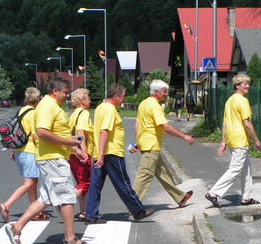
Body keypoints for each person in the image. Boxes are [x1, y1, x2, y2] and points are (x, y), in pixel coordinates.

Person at [5, 76, 91, 244]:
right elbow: (42, 132)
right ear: (55, 91)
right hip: (53, 159)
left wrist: (75, 149)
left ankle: (17, 227)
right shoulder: (47, 106)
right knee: (66, 198)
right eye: (65, 93)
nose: (67, 96)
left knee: (46, 198)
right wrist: (69, 143)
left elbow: (58, 133)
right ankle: (70, 238)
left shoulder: (51, 105)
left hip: (53, 156)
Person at [84, 83, 154, 224]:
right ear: (116, 96)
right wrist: (103, 155)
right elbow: (104, 131)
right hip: (111, 153)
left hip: (100, 152)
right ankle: (138, 211)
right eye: (123, 96)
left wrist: (100, 154)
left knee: (95, 184)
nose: (123, 98)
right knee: (123, 183)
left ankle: (90, 214)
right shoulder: (110, 110)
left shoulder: (100, 107)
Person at [132, 79, 194, 208]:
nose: (166, 94)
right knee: (145, 174)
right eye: (164, 91)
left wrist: (137, 141)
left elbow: (137, 124)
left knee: (163, 172)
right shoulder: (155, 105)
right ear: (156, 92)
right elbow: (165, 127)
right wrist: (184, 136)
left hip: (146, 143)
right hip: (151, 144)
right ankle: (132, 204)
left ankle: (180, 197)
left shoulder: (143, 103)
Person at [205, 74, 261, 208]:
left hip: (232, 138)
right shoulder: (242, 101)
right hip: (239, 139)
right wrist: (256, 140)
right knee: (235, 169)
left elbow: (224, 122)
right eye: (245, 84)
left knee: (246, 169)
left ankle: (247, 198)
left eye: (248, 83)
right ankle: (213, 193)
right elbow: (247, 123)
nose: (248, 86)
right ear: (237, 86)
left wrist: (223, 140)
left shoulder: (229, 100)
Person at [0, 87, 49, 222]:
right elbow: (34, 135)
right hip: (30, 152)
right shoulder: (33, 114)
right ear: (38, 99)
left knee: (32, 183)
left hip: (20, 151)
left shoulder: (21, 111)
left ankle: (35, 212)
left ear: (26, 99)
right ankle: (6, 205)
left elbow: (18, 132)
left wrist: (14, 150)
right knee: (28, 183)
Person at [69, 88, 94, 221]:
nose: (89, 100)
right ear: (81, 100)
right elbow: (80, 132)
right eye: (88, 97)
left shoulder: (73, 114)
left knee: (81, 182)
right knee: (87, 182)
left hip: (72, 154)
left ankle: (83, 211)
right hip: (80, 153)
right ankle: (64, 202)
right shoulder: (83, 113)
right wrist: (84, 152)